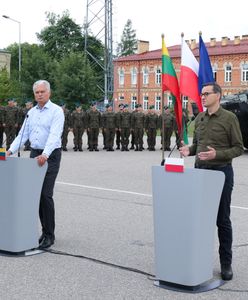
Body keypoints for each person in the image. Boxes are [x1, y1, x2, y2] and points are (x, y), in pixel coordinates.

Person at [179, 82, 244, 281]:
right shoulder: (200, 118)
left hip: (221, 173)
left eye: (206, 93)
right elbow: (197, 146)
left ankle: (226, 263)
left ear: (218, 95)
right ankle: (198, 260)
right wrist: (188, 150)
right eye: (202, 94)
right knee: (199, 219)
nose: (203, 97)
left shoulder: (229, 118)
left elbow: (239, 148)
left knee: (222, 220)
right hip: (200, 173)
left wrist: (218, 154)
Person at [7, 80, 65, 249]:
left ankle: (49, 235)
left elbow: (55, 136)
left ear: (49, 93)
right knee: (36, 196)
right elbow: (22, 135)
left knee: (45, 195)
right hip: (35, 154)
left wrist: (45, 154)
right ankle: (42, 232)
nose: (39, 94)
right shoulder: (31, 112)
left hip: (50, 156)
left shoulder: (56, 111)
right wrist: (9, 151)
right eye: (37, 92)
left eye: (42, 92)